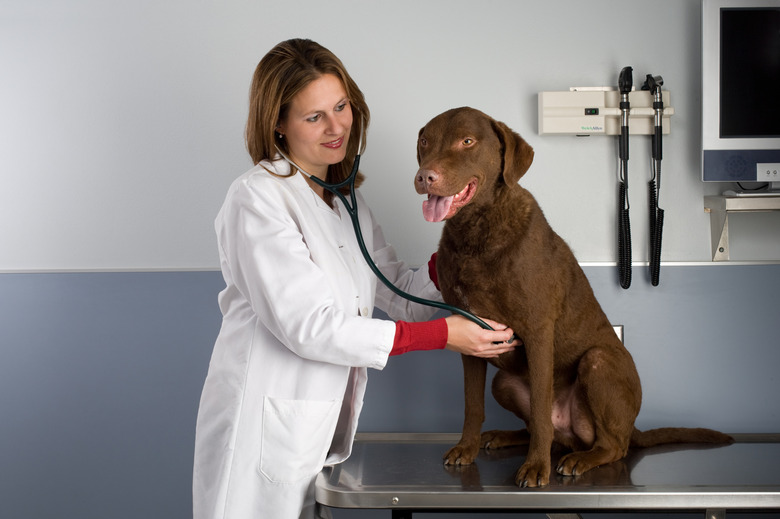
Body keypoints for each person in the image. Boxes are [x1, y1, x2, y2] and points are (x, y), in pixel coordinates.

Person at [192, 38, 518, 519]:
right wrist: (443, 334)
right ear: (277, 125)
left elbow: (397, 287)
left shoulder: (343, 200)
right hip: (257, 433)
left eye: (341, 106)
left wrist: (467, 263)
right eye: (313, 116)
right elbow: (311, 327)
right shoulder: (257, 200)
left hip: (309, 432)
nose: (336, 126)